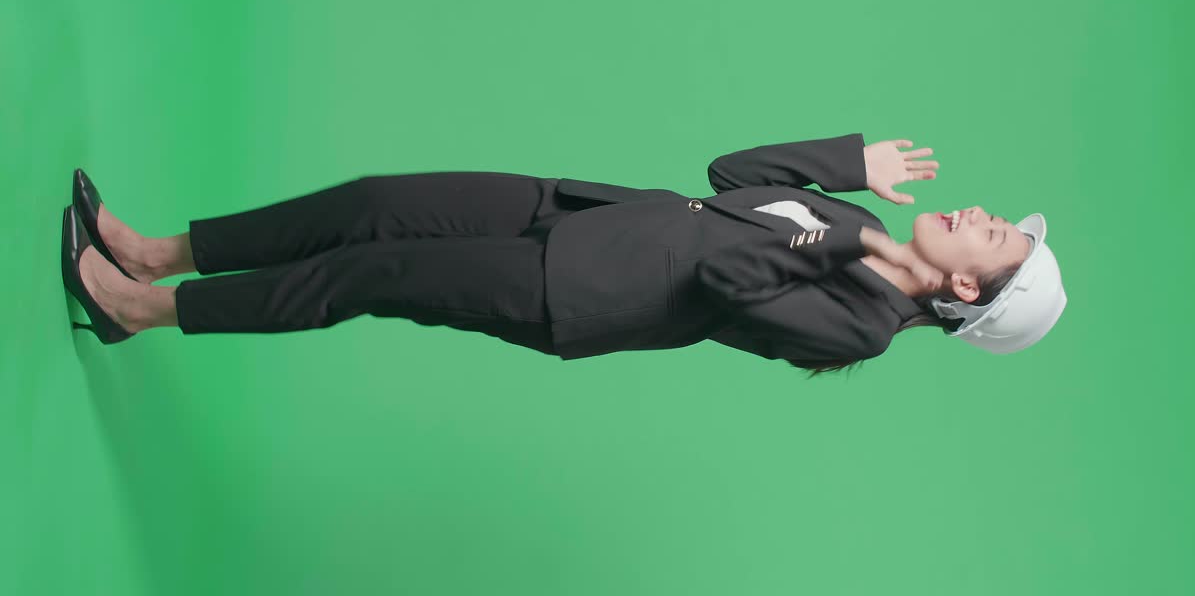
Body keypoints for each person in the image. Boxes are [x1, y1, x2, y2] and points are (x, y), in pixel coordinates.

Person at [61, 132, 1066, 376]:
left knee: (366, 274)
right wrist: (842, 165)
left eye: (989, 235)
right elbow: (730, 176)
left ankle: (137, 310)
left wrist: (831, 236)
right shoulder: (860, 229)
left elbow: (723, 278)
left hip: (576, 287)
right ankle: (155, 253)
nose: (976, 212)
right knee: (372, 204)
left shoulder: (858, 327)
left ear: (968, 287)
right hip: (582, 211)